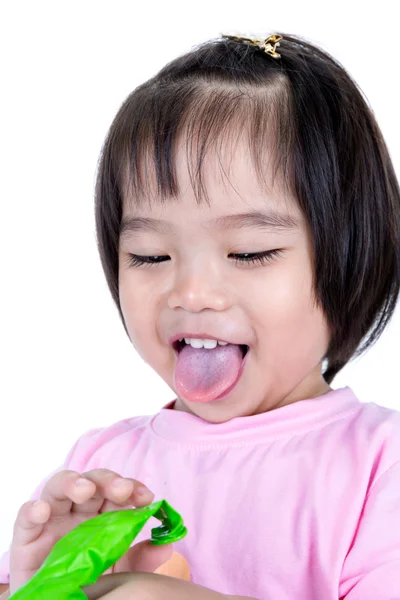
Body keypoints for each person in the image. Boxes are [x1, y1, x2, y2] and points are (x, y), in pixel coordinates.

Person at [0, 31, 399, 600]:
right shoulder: (99, 467)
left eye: (249, 252)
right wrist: (41, 583)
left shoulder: (379, 465)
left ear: (351, 256)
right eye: (150, 256)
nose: (190, 293)